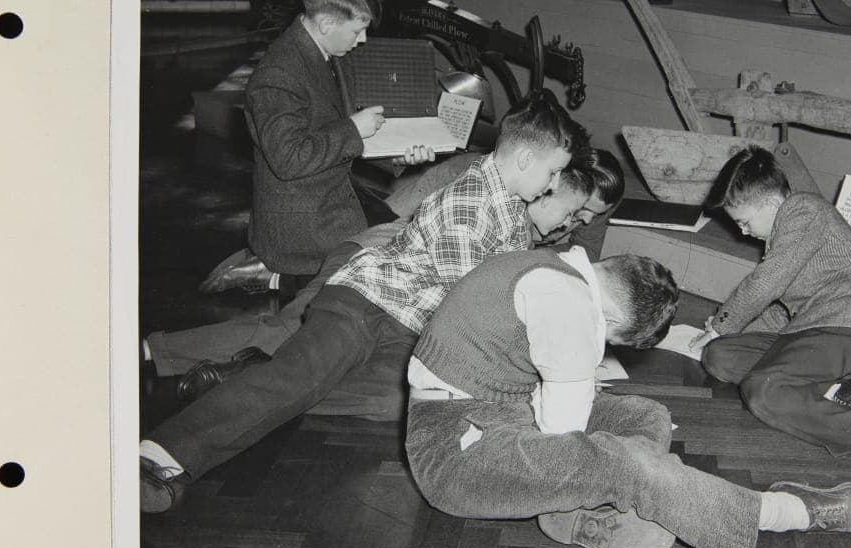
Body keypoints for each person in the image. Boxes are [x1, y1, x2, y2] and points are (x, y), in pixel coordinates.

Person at [139, 94, 585, 513]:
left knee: (388, 402)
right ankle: (164, 454)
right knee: (301, 377)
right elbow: (477, 305)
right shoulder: (469, 206)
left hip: (409, 323)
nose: (551, 186)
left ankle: (243, 376)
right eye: (551, 175)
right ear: (525, 159)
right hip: (366, 301)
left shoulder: (510, 206)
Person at [405, 247, 851, 548]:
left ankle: (573, 513)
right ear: (611, 315)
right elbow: (564, 435)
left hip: (500, 411)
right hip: (455, 451)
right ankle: (789, 510)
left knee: (645, 416)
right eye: (609, 339)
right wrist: (628, 470)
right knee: (620, 460)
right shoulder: (566, 302)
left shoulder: (554, 266)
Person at [149, 167, 599, 409]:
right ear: (544, 186)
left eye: (582, 220)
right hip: (369, 263)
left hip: (399, 295)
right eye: (572, 212)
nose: (570, 227)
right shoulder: (485, 187)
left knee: (360, 381)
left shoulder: (527, 228)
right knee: (285, 336)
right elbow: (393, 213)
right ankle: (154, 351)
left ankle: (244, 378)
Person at [688, 145, 851, 480]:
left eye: (743, 222)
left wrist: (722, 324)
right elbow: (782, 313)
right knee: (719, 356)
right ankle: (836, 392)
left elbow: (767, 283)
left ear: (771, 203)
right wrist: (726, 335)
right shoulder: (788, 230)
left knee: (762, 390)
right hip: (823, 331)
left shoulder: (803, 209)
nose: (742, 232)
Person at [199, 0, 435, 295]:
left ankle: (275, 276)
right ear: (325, 22)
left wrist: (397, 157)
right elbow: (289, 159)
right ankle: (271, 273)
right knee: (374, 281)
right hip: (299, 222)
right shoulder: (277, 76)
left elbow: (339, 133)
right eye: (357, 31)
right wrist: (353, 129)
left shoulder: (330, 54)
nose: (362, 40)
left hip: (331, 196)